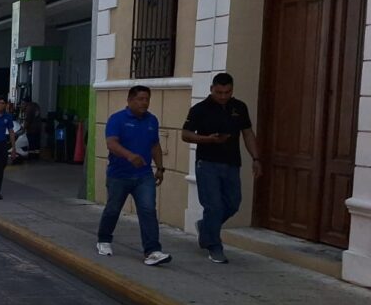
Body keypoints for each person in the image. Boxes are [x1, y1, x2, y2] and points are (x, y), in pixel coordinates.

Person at [181, 73, 260, 264]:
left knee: (233, 203)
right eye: (219, 92)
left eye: (227, 92)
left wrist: (256, 158)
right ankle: (214, 246)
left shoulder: (239, 107)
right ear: (211, 89)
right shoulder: (200, 109)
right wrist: (207, 139)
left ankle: (206, 227)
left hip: (232, 163)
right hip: (207, 163)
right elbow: (185, 134)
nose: (223, 96)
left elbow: (248, 133)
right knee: (214, 205)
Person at [96, 85, 172, 267]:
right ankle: (104, 239)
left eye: (147, 99)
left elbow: (155, 145)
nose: (144, 103)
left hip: (144, 175)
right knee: (113, 209)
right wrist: (129, 156)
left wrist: (160, 168)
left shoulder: (152, 120)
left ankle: (152, 250)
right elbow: (111, 143)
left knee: (147, 210)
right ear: (129, 101)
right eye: (140, 99)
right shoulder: (117, 119)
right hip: (119, 175)